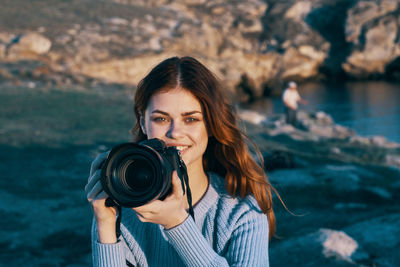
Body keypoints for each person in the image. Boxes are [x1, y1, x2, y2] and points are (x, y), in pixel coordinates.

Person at [85, 56, 277, 266]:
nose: (175, 132)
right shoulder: (121, 207)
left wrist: (177, 224)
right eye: (161, 118)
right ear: (143, 122)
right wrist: (105, 224)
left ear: (211, 125)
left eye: (191, 119)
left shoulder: (242, 212)